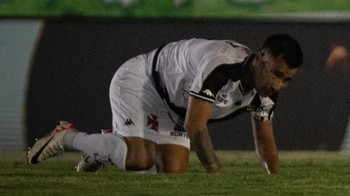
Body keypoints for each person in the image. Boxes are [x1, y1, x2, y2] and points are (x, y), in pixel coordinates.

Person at [27, 33, 303, 174]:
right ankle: (69, 137)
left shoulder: (266, 92)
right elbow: (195, 127)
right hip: (144, 81)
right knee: (138, 159)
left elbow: (265, 140)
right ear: (258, 59)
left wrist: (273, 181)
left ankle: (109, 146)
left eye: (286, 80)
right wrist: (214, 172)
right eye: (276, 73)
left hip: (176, 106)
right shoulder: (222, 65)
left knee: (172, 170)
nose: (278, 85)